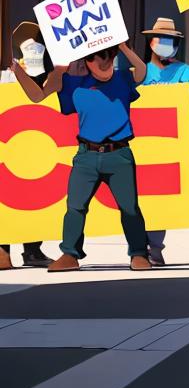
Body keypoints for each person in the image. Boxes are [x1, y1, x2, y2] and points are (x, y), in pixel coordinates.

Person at [10, 40, 151, 272]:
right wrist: (17, 69)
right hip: (86, 156)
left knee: (129, 208)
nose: (104, 63)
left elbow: (143, 72)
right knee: (75, 207)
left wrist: (124, 47)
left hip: (119, 155)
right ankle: (70, 254)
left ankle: (139, 253)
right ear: (87, 61)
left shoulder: (123, 78)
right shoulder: (73, 83)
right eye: (98, 58)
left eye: (109, 57)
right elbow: (37, 96)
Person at [139, 18, 189, 266]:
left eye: (172, 41)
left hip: (173, 145)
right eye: (163, 40)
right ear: (151, 42)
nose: (168, 45)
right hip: (142, 142)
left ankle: (154, 248)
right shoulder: (140, 72)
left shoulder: (187, 72)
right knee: (140, 196)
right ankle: (139, 246)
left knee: (161, 197)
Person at [0, 22, 55, 269]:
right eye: (28, 47)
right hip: (10, 145)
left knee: (35, 196)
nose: (33, 52)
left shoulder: (47, 75)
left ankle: (33, 249)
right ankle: (3, 249)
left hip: (37, 145)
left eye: (37, 47)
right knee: (6, 195)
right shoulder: (6, 75)